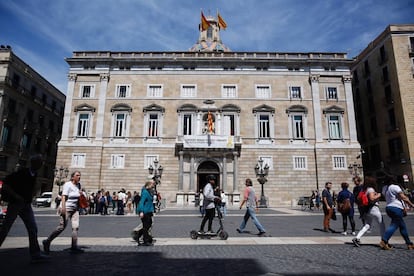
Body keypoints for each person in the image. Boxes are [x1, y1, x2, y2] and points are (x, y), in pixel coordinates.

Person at [0, 154, 49, 262]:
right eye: (40, 162)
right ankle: (35, 253)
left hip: (26, 204)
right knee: (6, 228)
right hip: (16, 204)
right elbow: (6, 184)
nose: (41, 165)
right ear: (35, 163)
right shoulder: (21, 173)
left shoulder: (34, 174)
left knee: (32, 228)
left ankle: (35, 253)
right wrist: (16, 196)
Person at [42, 171, 84, 254]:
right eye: (77, 175)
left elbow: (77, 197)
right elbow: (64, 197)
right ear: (72, 177)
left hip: (75, 209)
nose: (79, 177)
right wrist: (63, 208)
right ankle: (47, 241)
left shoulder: (78, 185)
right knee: (61, 227)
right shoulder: (68, 185)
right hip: (66, 208)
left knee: (75, 228)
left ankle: (74, 247)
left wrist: (80, 194)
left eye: (80, 175)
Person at [380, 177, 414, 250]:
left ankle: (409, 244)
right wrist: (411, 205)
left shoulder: (384, 188)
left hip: (388, 207)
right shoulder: (395, 187)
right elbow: (403, 197)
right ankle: (384, 240)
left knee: (402, 226)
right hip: (396, 208)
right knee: (394, 225)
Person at [352, 176, 385, 247]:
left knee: (367, 225)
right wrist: (379, 195)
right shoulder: (370, 189)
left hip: (367, 209)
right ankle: (384, 240)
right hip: (374, 209)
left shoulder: (364, 190)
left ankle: (357, 238)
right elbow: (372, 198)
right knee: (381, 225)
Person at [137, 177, 155, 246]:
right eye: (152, 184)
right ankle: (145, 240)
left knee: (148, 225)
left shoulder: (148, 192)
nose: (153, 186)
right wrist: (141, 211)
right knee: (146, 226)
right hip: (145, 211)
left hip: (149, 211)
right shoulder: (145, 192)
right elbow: (141, 202)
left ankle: (139, 234)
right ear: (149, 184)